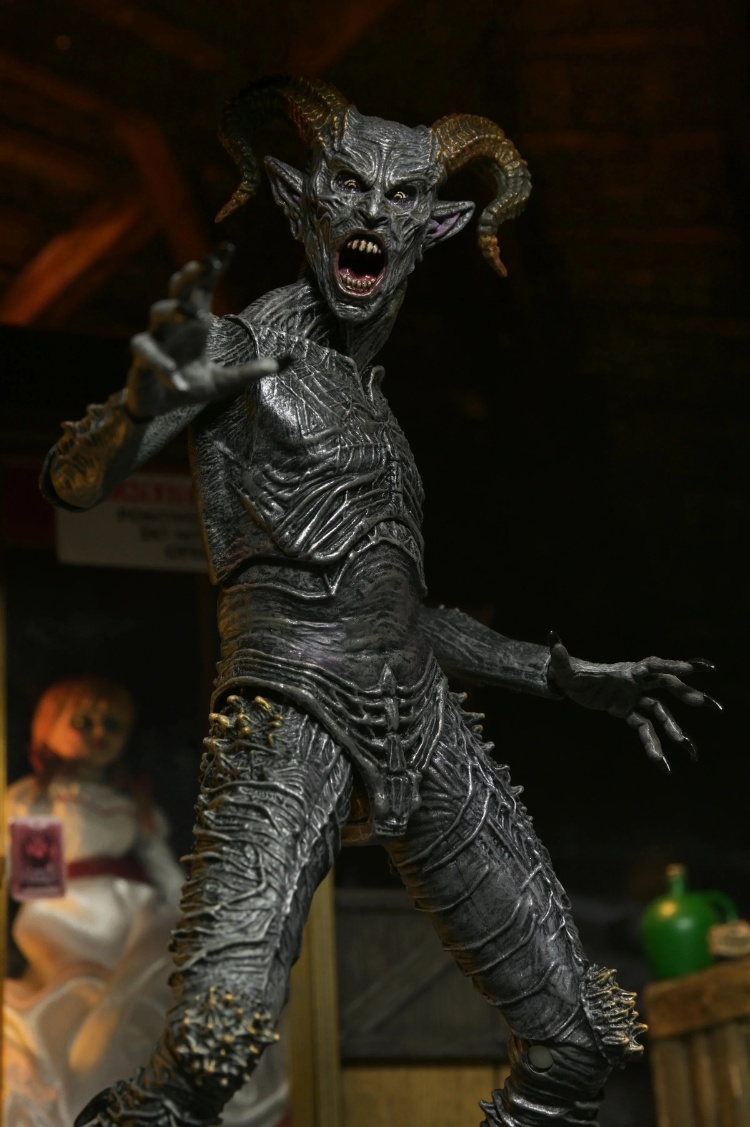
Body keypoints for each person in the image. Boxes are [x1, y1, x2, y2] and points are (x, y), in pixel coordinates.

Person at [41, 77, 717, 1126]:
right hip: (290, 706)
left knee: (581, 1038)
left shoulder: (378, 414)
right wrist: (136, 408)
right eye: (348, 188)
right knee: (214, 1046)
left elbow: (403, 617)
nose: (371, 214)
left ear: (434, 230)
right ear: (297, 200)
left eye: (401, 199)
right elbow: (74, 480)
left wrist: (560, 674)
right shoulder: (237, 348)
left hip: (419, 716)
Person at [4, 676, 288, 1127]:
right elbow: (26, 872)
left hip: (131, 912)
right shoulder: (34, 798)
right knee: (77, 997)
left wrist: (191, 909)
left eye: (113, 725)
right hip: (63, 914)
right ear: (47, 727)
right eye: (83, 722)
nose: (100, 733)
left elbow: (159, 864)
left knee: (156, 974)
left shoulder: (131, 802)